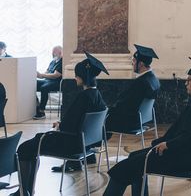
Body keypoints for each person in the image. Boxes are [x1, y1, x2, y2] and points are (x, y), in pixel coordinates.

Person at [102, 57, 191, 196]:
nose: (186, 83)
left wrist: (167, 144)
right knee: (133, 158)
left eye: (189, 80)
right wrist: (164, 142)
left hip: (181, 159)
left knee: (122, 169)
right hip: (188, 154)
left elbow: (190, 136)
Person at [12, 53, 108, 196]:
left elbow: (68, 126)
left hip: (70, 144)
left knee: (24, 148)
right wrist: (63, 124)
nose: (75, 78)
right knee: (33, 145)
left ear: (82, 77)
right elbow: (81, 121)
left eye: (77, 75)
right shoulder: (97, 95)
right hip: (85, 144)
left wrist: (60, 125)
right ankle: (25, 190)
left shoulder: (83, 97)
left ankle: (24, 191)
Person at [106, 44, 161, 133]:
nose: (132, 63)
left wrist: (109, 109)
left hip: (131, 123)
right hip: (142, 120)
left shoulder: (141, 82)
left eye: (134, 61)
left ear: (141, 64)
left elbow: (126, 104)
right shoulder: (154, 79)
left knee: (103, 121)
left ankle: (95, 141)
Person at [33, 45, 63, 120]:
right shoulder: (53, 61)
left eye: (54, 52)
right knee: (32, 84)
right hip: (47, 80)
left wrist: (42, 75)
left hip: (57, 82)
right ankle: (36, 106)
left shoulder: (62, 62)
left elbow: (56, 75)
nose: (52, 54)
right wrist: (38, 74)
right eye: (52, 52)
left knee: (44, 88)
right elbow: (46, 72)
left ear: (60, 53)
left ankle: (41, 111)